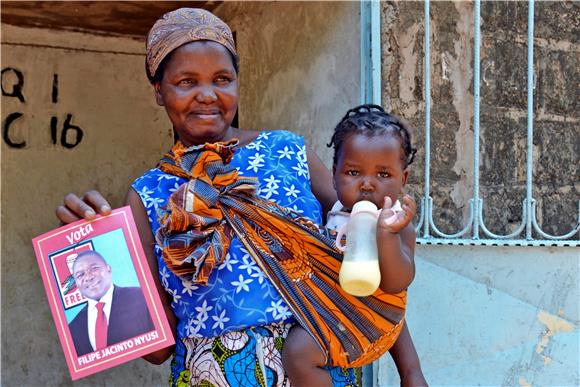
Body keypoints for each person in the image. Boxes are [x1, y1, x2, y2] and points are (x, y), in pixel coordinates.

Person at [56, 8, 426, 386]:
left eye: (222, 79)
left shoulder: (287, 152)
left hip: (315, 363)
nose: (207, 94)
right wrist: (96, 245)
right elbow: (157, 350)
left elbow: (361, 255)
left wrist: (411, 372)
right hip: (209, 376)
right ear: (159, 90)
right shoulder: (147, 194)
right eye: (186, 82)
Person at [281, 104, 420, 386]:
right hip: (332, 316)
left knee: (298, 352)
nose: (367, 184)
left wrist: (385, 236)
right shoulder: (331, 215)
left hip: (370, 321)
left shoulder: (397, 224)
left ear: (402, 179)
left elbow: (397, 285)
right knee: (297, 354)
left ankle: (411, 371)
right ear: (334, 174)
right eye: (354, 173)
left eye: (383, 175)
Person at [68, 250, 155, 356]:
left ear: (108, 269)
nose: (88, 277)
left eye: (94, 268)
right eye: (80, 275)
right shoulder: (73, 328)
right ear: (76, 283)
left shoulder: (142, 296)